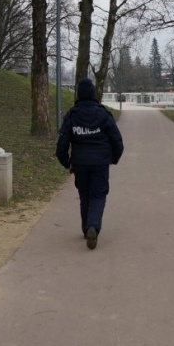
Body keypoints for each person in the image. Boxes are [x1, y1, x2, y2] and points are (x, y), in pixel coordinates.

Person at [55, 78, 124, 250]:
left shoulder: (72, 115)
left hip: (80, 163)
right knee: (98, 195)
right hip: (100, 162)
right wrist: (113, 159)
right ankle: (93, 225)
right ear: (93, 94)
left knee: (85, 195)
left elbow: (61, 144)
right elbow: (118, 142)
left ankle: (87, 228)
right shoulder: (103, 114)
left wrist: (67, 163)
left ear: (78, 95)